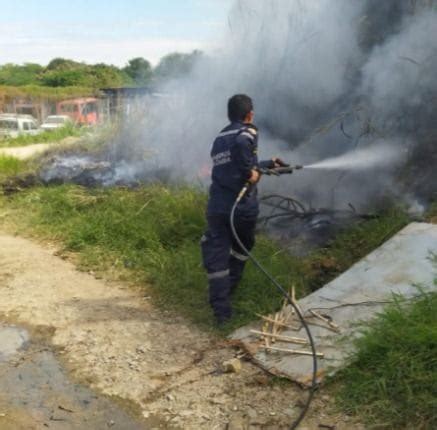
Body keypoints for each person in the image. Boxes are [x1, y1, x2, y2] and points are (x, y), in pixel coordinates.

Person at [201, 94, 285, 325]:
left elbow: (233, 162)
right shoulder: (247, 132)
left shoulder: (220, 137)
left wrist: (267, 164)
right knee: (241, 248)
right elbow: (241, 150)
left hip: (217, 207)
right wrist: (250, 173)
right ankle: (229, 291)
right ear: (249, 114)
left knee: (218, 255)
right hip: (241, 208)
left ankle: (221, 312)